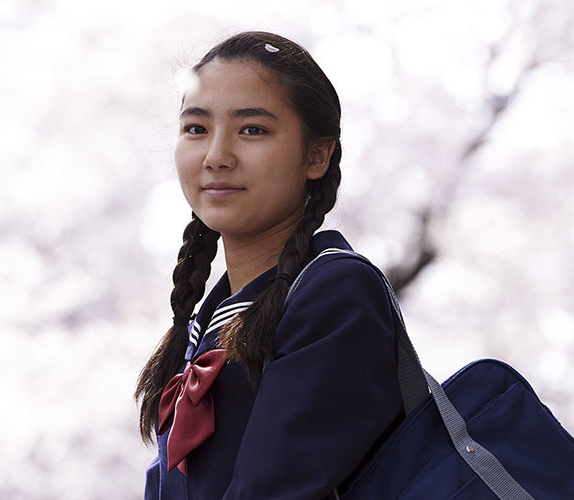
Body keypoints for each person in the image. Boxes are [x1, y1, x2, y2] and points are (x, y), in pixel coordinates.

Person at [136, 31, 404, 500]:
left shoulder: (336, 292)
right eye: (196, 129)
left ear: (317, 154)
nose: (217, 157)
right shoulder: (207, 322)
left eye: (252, 130)